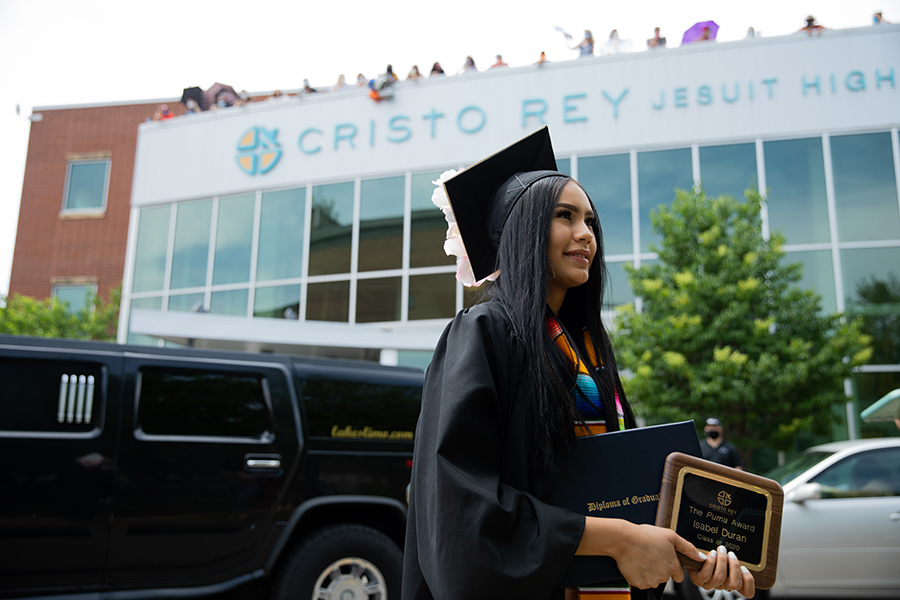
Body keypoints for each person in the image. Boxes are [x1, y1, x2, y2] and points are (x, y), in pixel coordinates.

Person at [402, 127, 755, 600]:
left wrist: (695, 555)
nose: (586, 234)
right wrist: (618, 538)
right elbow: (462, 512)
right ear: (523, 231)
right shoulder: (484, 334)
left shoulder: (589, 351)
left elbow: (629, 492)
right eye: (564, 217)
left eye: (590, 220)